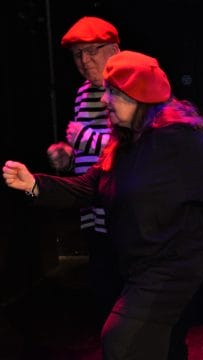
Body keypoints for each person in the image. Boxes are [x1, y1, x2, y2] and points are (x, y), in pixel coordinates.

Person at [3, 50, 203, 360]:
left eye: (115, 93)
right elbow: (92, 184)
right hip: (140, 266)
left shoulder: (180, 140)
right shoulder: (126, 141)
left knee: (121, 341)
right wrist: (34, 185)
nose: (105, 100)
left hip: (174, 270)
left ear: (142, 99)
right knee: (164, 346)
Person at [47, 16, 122, 321]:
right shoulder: (82, 93)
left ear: (114, 50)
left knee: (126, 296)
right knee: (103, 291)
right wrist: (67, 154)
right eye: (78, 55)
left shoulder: (129, 86)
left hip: (123, 211)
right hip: (93, 210)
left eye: (92, 51)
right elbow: (86, 146)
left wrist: (85, 139)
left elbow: (138, 146)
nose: (84, 61)